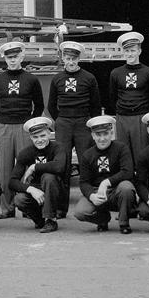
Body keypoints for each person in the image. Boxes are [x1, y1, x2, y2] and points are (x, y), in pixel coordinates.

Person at [0, 40, 45, 219]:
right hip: (4, 127)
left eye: (15, 56)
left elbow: (38, 105)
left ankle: (27, 206)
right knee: (4, 169)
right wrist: (2, 121)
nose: (12, 60)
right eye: (9, 57)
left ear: (22, 56)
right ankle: (7, 208)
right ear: (4, 58)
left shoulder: (31, 79)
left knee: (26, 168)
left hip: (24, 128)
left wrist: (29, 123)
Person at [48, 40, 101, 210]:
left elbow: (95, 104)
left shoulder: (89, 78)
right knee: (62, 164)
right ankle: (61, 208)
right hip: (63, 123)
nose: (70, 62)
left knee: (87, 161)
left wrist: (89, 124)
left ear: (79, 59)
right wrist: (61, 120)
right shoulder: (57, 79)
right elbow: (51, 105)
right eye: (67, 58)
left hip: (83, 123)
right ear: (63, 58)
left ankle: (90, 202)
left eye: (74, 58)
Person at [74, 114, 137, 234]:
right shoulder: (87, 155)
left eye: (105, 134)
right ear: (93, 135)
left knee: (126, 188)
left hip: (116, 190)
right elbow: (84, 182)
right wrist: (92, 196)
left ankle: (124, 223)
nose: (102, 138)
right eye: (98, 134)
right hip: (97, 192)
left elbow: (127, 172)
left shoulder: (121, 148)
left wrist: (107, 182)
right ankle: (102, 219)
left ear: (111, 134)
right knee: (80, 212)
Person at [9, 116, 69, 234]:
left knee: (48, 176)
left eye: (42, 136)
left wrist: (34, 167)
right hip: (37, 191)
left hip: (56, 190)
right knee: (19, 199)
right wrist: (31, 189)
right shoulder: (26, 153)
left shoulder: (58, 148)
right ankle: (40, 221)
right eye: (35, 137)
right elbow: (12, 182)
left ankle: (51, 219)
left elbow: (59, 166)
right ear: (31, 137)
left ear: (49, 134)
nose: (39, 140)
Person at [109, 31, 149, 165]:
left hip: (141, 117)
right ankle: (126, 183)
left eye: (133, 50)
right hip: (122, 118)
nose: (130, 54)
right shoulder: (116, 73)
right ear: (123, 52)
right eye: (127, 51)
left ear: (139, 51)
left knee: (141, 153)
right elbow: (112, 96)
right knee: (123, 153)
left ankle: (142, 182)